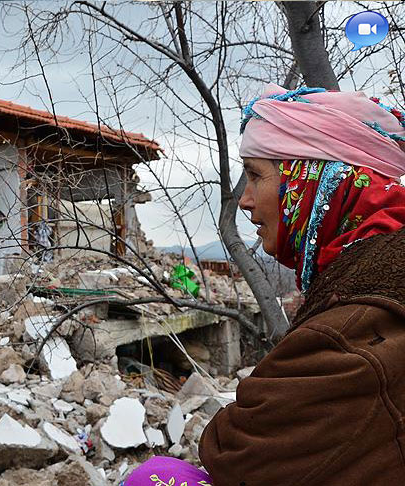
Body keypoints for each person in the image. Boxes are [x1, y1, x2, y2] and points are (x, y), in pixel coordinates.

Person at [123, 84, 405, 485]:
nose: (245, 199)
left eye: (256, 175)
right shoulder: (370, 269)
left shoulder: (356, 321)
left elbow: (242, 453)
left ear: (313, 177)